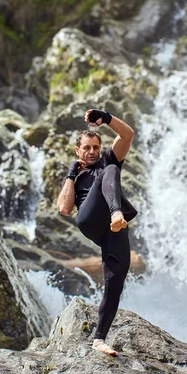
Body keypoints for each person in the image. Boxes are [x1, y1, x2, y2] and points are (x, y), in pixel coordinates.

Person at [57, 108, 138, 356]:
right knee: (111, 170)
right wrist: (72, 174)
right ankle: (117, 212)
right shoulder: (78, 174)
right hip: (90, 219)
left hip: (112, 229)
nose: (92, 152)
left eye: (95, 147)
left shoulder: (106, 160)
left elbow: (128, 135)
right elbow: (64, 209)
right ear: (78, 151)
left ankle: (99, 339)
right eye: (87, 148)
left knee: (115, 281)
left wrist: (108, 118)